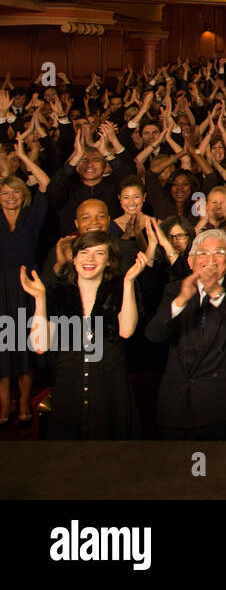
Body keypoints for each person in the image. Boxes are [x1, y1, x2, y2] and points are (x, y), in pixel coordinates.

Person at [21, 232, 147, 439]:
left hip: (110, 386)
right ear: (74, 258)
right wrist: (40, 298)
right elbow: (39, 345)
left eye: (99, 253)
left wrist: (129, 282)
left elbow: (126, 331)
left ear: (109, 261)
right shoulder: (57, 292)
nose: (90, 259)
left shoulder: (120, 288)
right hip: (69, 385)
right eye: (84, 252)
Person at [145, 228, 226, 439]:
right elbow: (154, 334)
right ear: (190, 261)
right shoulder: (175, 290)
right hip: (179, 401)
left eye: (219, 252)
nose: (211, 259)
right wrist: (180, 302)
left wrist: (214, 290)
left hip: (224, 402)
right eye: (202, 253)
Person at [1, 171, 48, 428]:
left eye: (15, 192)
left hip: (26, 287)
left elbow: (46, 184)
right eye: (5, 193)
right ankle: (5, 401)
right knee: (2, 346)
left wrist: (23, 155)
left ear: (24, 195)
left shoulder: (32, 216)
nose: (10, 198)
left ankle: (23, 402)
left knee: (24, 345)